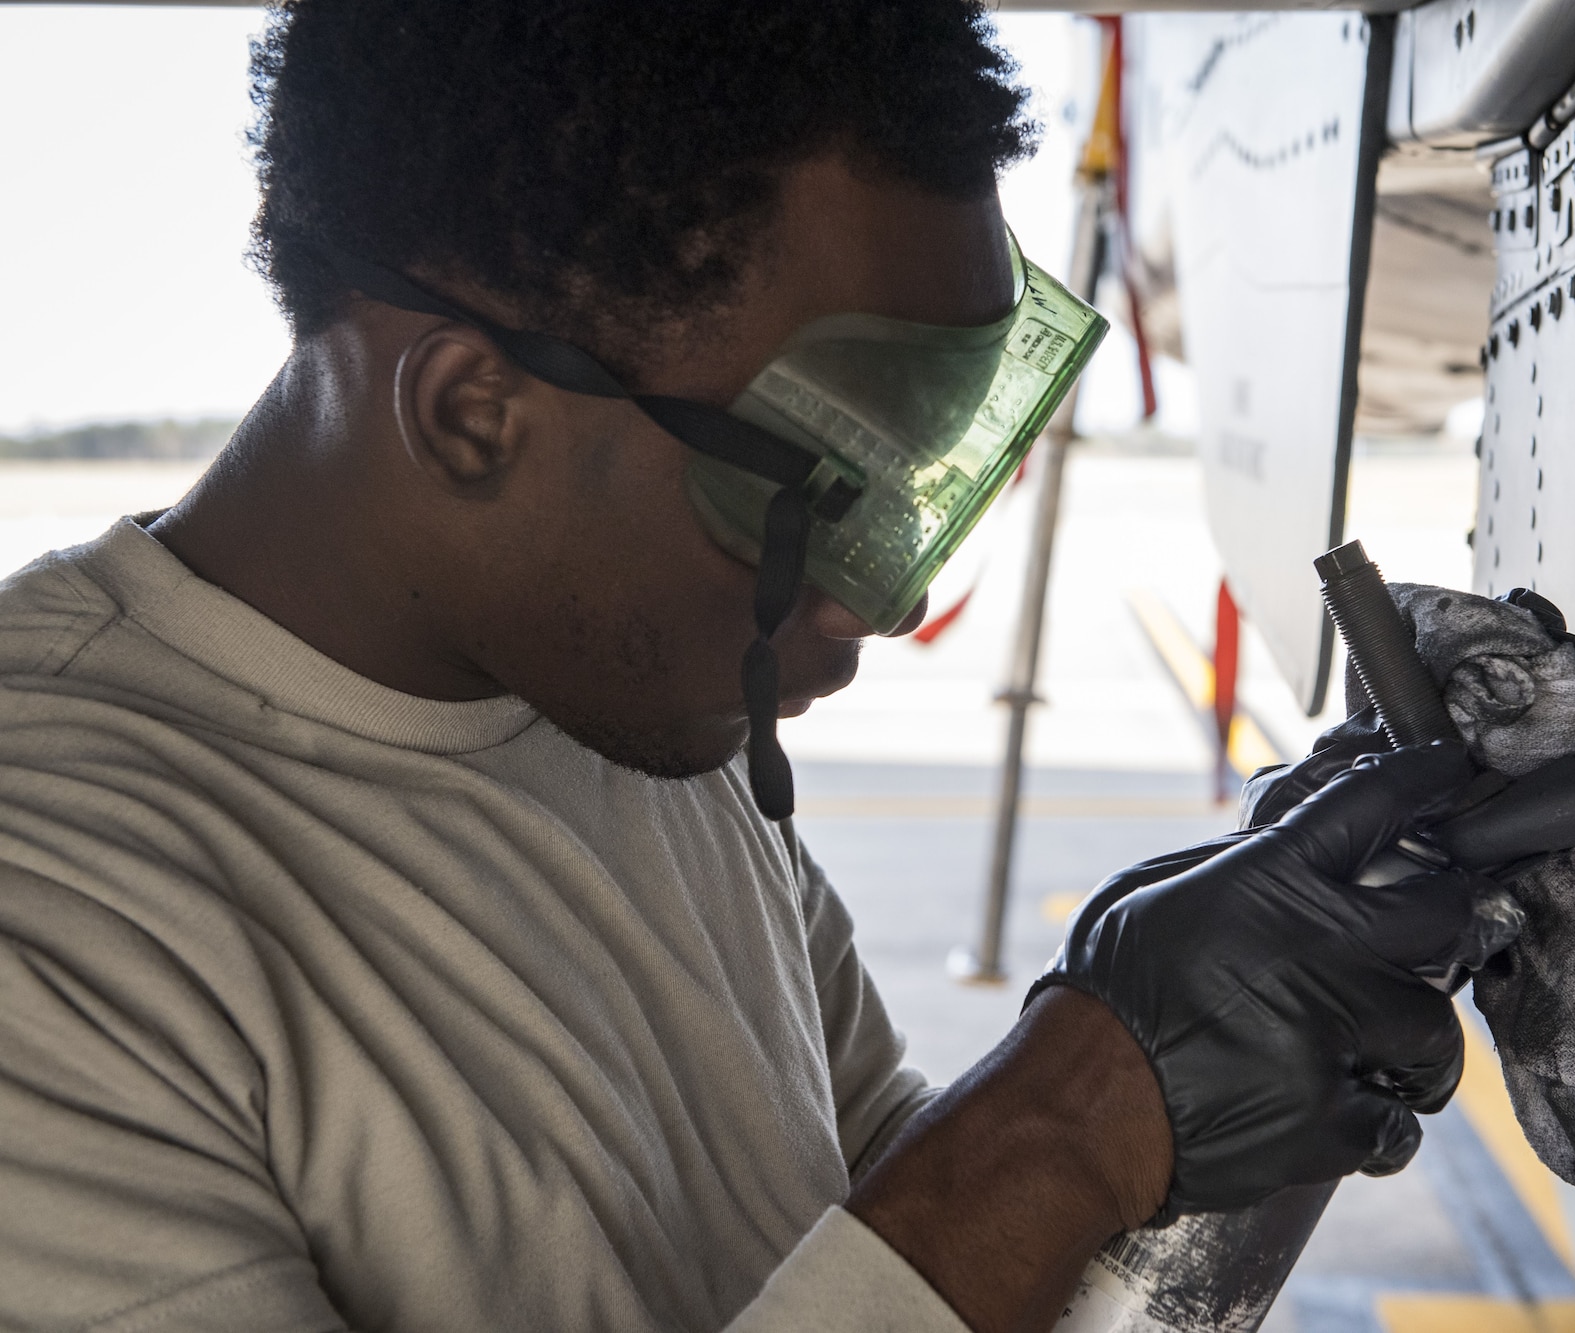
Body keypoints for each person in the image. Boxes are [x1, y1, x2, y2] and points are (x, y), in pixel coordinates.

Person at [0, 3, 1493, 1330]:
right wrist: (1071, 1111)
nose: (880, 603)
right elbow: (983, 1202)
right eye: (804, 503)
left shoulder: (634, 705)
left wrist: (1284, 1002)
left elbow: (914, 1250)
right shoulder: (57, 915)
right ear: (473, 413)